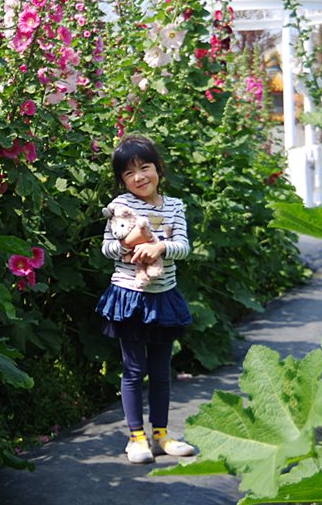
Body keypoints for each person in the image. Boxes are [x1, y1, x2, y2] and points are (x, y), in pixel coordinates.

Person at [95, 134, 199, 464]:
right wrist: (127, 244)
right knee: (133, 369)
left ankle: (161, 435)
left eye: (145, 167)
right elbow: (107, 248)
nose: (139, 177)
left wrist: (160, 247)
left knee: (161, 370)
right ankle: (135, 437)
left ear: (158, 168)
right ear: (122, 180)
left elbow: (183, 247)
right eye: (129, 173)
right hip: (128, 296)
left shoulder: (175, 206)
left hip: (162, 296)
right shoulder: (120, 207)